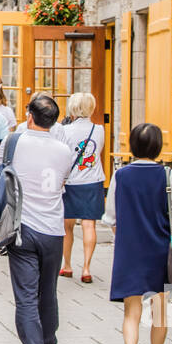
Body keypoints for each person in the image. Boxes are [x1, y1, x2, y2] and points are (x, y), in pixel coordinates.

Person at [104, 123, 172, 344]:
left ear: (132, 145)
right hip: (159, 249)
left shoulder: (121, 175)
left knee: (131, 310)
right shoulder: (166, 175)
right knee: (160, 311)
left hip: (129, 249)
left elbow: (111, 216)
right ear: (158, 147)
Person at [5, 94, 74, 344]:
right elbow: (63, 181)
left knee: (26, 293)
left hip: (22, 225)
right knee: (48, 289)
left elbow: (1, 172)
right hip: (53, 227)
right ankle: (47, 341)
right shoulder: (64, 150)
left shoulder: (14, 141)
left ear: (29, 116)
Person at [61, 91, 107, 283]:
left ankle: (67, 265)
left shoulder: (65, 131)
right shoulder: (99, 130)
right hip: (92, 180)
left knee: (67, 226)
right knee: (89, 225)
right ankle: (86, 268)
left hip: (71, 182)